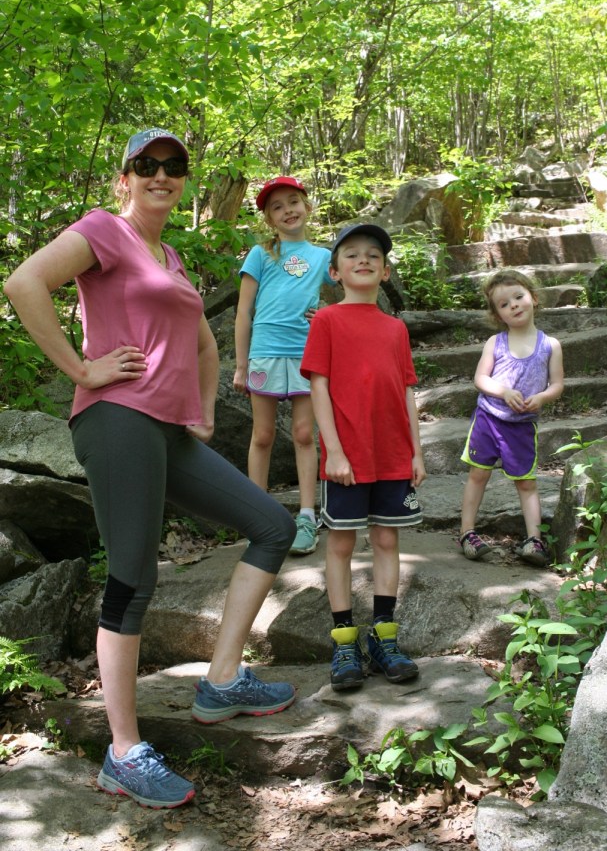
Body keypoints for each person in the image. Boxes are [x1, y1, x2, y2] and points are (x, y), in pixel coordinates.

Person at [3, 129, 297, 810]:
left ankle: (221, 680)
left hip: (167, 431)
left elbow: (200, 341)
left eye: (173, 167)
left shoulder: (170, 257)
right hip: (116, 420)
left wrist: (197, 405)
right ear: (124, 178)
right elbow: (24, 283)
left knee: (272, 524)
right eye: (147, 166)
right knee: (134, 579)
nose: (161, 175)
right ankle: (124, 751)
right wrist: (81, 368)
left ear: (185, 180)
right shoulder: (103, 230)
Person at [300, 223, 426, 692]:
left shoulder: (396, 329)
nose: (364, 260)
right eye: (351, 255)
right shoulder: (328, 321)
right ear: (335, 272)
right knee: (341, 544)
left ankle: (384, 637)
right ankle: (344, 641)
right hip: (347, 454)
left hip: (393, 453)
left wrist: (416, 449)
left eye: (373, 255)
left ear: (386, 270)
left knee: (388, 541)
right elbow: (319, 385)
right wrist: (332, 448)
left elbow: (406, 391)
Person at [233, 175, 334, 556]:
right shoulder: (262, 254)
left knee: (305, 434)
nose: (288, 210)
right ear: (269, 220)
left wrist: (327, 314)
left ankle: (307, 515)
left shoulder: (323, 256)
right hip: (265, 353)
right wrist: (241, 365)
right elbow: (244, 312)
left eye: (294, 201)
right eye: (277, 207)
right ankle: (257, 516)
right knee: (262, 435)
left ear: (307, 207)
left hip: (307, 356)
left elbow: (353, 294)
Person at [458, 268, 564, 566]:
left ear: (533, 298)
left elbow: (557, 384)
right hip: (489, 419)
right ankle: (467, 532)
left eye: (519, 297)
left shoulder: (550, 345)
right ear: (498, 315)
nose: (514, 305)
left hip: (522, 425)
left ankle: (534, 540)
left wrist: (542, 397)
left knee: (526, 482)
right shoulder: (496, 342)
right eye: (504, 304)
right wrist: (504, 392)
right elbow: (480, 378)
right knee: (478, 473)